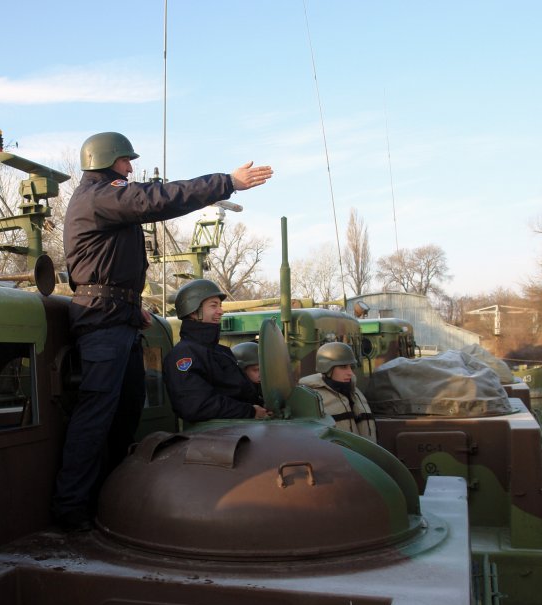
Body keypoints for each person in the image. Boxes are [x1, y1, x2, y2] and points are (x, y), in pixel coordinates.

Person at [51, 132, 273, 531]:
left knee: (125, 412)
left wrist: (130, 306)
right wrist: (226, 182)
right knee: (96, 416)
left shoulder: (101, 198)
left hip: (116, 318)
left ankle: (109, 497)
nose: (130, 168)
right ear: (106, 161)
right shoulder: (100, 196)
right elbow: (156, 199)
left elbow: (106, 266)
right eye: (125, 161)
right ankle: (72, 509)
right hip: (103, 324)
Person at [163, 280, 269, 424]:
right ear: (194, 311)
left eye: (220, 306)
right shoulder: (184, 355)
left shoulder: (220, 352)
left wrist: (262, 406)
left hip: (240, 427)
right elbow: (196, 405)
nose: (221, 311)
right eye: (214, 306)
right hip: (217, 433)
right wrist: (250, 411)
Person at [298, 342, 377, 441]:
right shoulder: (311, 398)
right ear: (327, 368)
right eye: (343, 367)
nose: (350, 373)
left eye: (351, 367)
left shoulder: (354, 392)